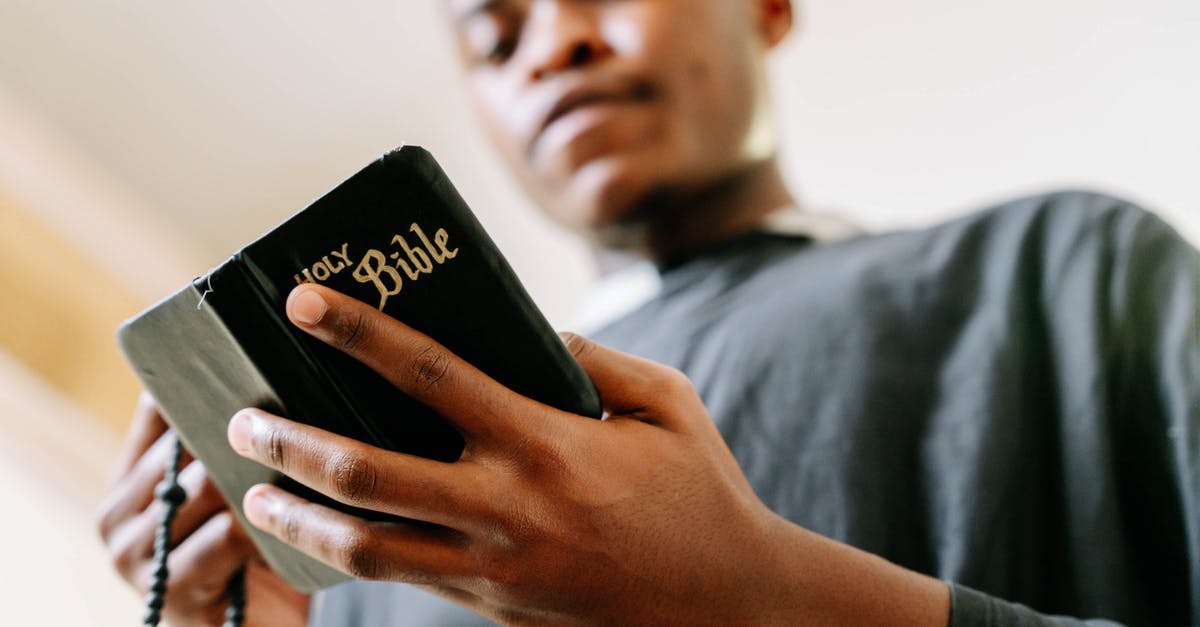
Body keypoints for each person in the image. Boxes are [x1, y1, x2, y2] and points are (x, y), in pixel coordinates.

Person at [97, 0, 1199, 625]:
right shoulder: (375, 546)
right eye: (497, 33)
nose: (557, 45)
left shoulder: (1067, 265)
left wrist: (764, 599)